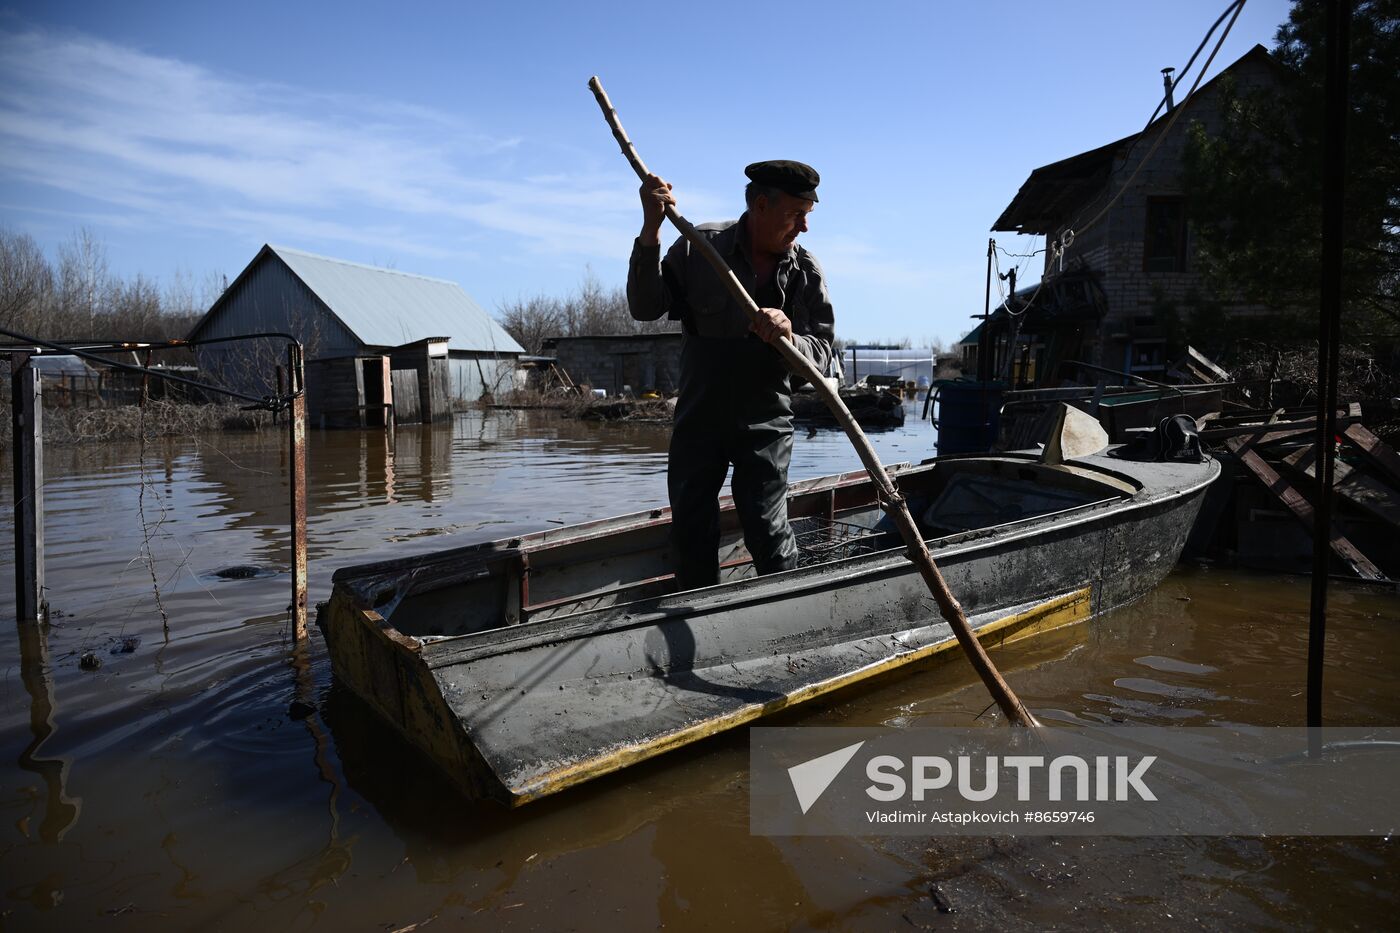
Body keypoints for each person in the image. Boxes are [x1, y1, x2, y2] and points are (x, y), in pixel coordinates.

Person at [627, 160, 836, 590]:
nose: (804, 227)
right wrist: (651, 230)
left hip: (765, 420)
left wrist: (789, 336)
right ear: (761, 205)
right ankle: (700, 613)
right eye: (796, 215)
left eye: (807, 216)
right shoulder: (698, 248)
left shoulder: (805, 273)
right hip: (700, 415)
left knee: (765, 522)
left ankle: (788, 611)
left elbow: (827, 357)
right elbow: (644, 308)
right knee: (690, 525)